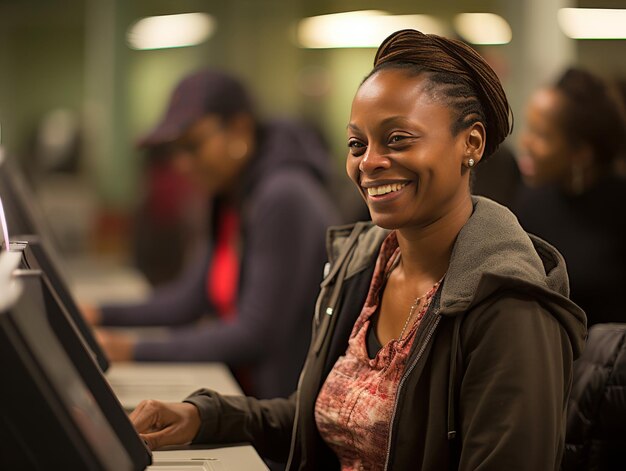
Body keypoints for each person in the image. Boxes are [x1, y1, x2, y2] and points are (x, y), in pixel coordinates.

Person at [128, 30, 586, 470]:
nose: (369, 162)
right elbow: (332, 417)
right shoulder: (367, 262)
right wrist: (206, 416)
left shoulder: (509, 307)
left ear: (471, 143)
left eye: (398, 139)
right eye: (357, 144)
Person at [83, 69, 340, 399]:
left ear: (240, 129)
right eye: (177, 150)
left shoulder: (283, 195)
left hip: (284, 414)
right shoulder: (234, 195)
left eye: (193, 146)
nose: (182, 163)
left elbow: (255, 333)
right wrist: (98, 314)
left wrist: (133, 350)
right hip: (250, 396)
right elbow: (189, 299)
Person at [514, 67, 626, 327]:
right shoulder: (529, 203)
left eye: (540, 135)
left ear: (581, 154)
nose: (525, 142)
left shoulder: (619, 209)